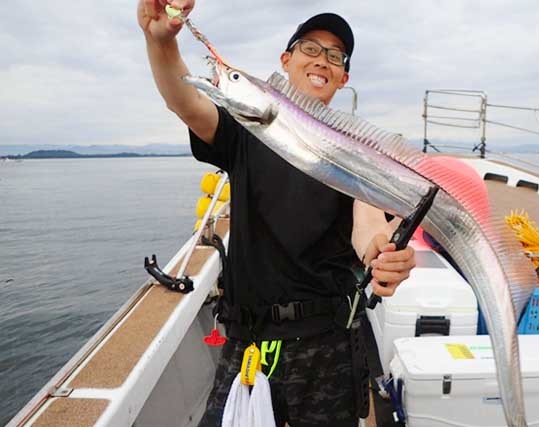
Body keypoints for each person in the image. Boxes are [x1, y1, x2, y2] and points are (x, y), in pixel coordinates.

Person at [137, 1, 416, 426]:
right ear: (285, 61)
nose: (322, 60)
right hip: (248, 343)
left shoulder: (351, 152)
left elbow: (367, 223)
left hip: (328, 346)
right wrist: (161, 43)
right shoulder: (245, 129)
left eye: (335, 55)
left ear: (344, 77)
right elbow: (187, 102)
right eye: (310, 48)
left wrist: (379, 252)